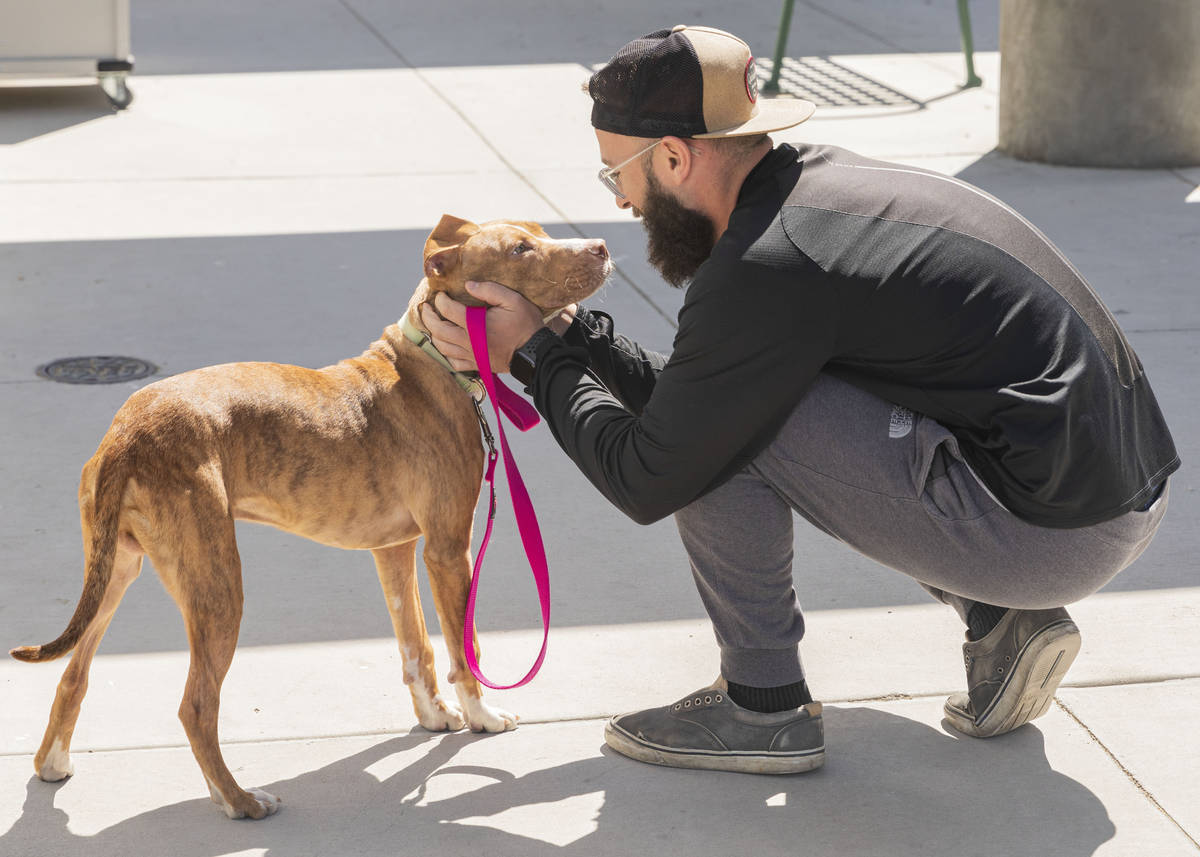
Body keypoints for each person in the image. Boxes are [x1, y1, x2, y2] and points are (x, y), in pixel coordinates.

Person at [420, 25, 1178, 773]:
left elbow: (651, 473)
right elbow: (707, 387)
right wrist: (578, 338)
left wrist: (530, 354)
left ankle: (763, 703)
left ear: (677, 157)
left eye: (615, 173)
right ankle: (1000, 618)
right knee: (733, 408)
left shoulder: (767, 266)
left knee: (722, 439)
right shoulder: (814, 191)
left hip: (1059, 530)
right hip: (1110, 488)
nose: (619, 202)